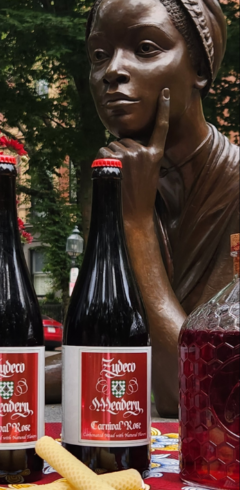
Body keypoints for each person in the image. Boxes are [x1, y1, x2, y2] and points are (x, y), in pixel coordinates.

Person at [86, 0, 239, 417]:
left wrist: (135, 226)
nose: (112, 71)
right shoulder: (108, 183)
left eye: (146, 48)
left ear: (201, 71)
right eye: (99, 55)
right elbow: (107, 350)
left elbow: (188, 392)